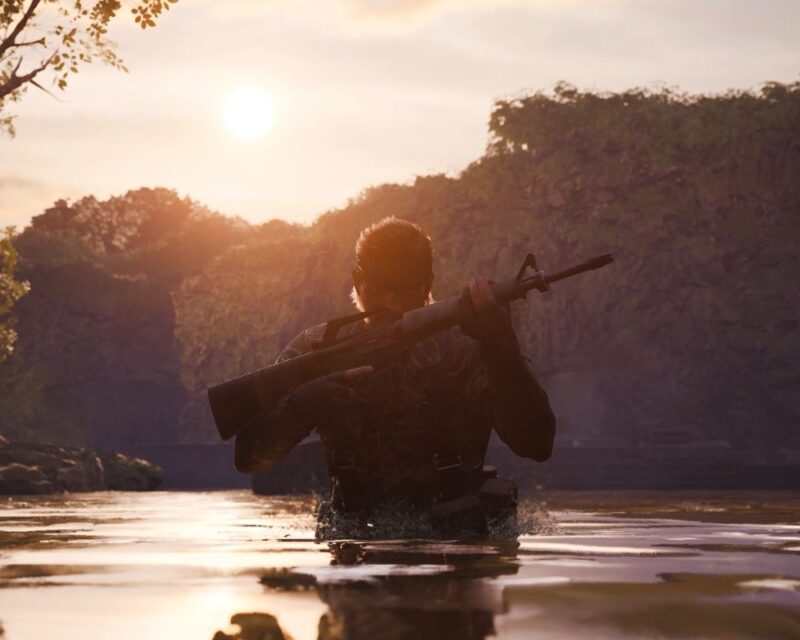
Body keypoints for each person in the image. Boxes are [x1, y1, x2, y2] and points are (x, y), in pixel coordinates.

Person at [234, 217, 556, 538]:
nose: (391, 302)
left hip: (457, 553)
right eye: (379, 286)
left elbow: (536, 443)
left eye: (404, 289)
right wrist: (302, 407)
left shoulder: (466, 346)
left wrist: (500, 345)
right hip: (354, 552)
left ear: (427, 283)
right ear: (357, 279)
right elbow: (248, 458)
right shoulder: (319, 351)